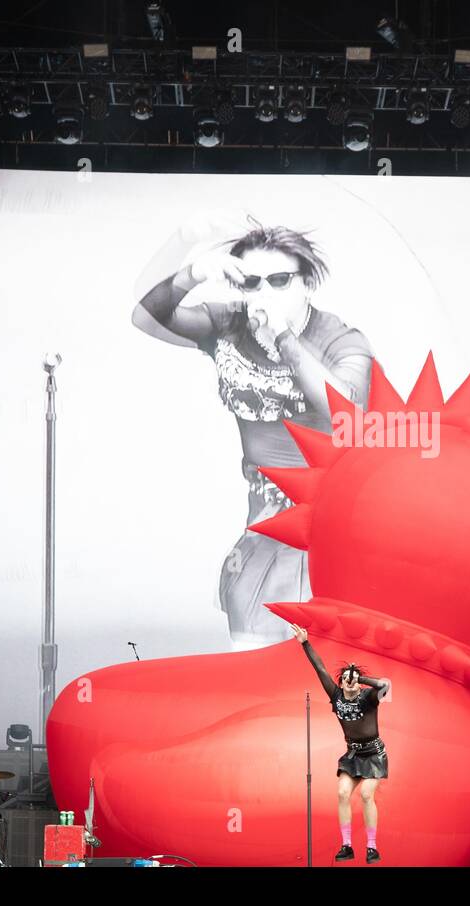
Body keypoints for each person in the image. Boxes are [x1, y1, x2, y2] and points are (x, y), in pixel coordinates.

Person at [134, 220, 373, 649]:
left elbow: (349, 415)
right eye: (252, 282)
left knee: (324, 677)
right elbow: (146, 318)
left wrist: (282, 335)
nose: (265, 292)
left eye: (280, 280)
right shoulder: (228, 324)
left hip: (331, 532)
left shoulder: (339, 338)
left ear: (306, 283)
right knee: (254, 664)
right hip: (263, 527)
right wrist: (193, 267)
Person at [294, 623, 391, 863]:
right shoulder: (336, 696)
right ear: (342, 682)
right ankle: (346, 845)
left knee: (367, 795)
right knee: (342, 793)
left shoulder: (369, 697)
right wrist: (305, 643)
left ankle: (371, 846)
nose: (349, 682)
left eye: (353, 679)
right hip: (353, 754)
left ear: (358, 683)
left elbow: (386, 685)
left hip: (374, 754)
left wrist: (362, 677)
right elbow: (320, 669)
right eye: (346, 679)